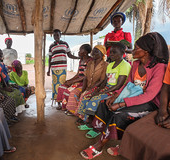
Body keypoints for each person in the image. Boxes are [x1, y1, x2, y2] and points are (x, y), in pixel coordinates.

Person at [80, 32, 169, 160]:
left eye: (136, 48)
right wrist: (115, 96)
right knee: (104, 104)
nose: (132, 51)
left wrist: (122, 103)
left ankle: (99, 145)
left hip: (150, 103)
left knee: (119, 114)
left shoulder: (160, 67)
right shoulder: (136, 64)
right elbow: (128, 83)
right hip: (131, 96)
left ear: (147, 51)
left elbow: (149, 95)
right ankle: (102, 132)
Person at [77, 43, 131, 128]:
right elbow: (105, 81)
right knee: (87, 96)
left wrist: (101, 93)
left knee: (95, 99)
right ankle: (86, 119)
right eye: (111, 52)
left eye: (114, 52)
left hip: (116, 91)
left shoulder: (125, 65)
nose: (111, 54)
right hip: (107, 88)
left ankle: (92, 123)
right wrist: (98, 90)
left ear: (122, 52)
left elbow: (118, 85)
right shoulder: (110, 65)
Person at [47, 29, 80, 106]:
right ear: (53, 36)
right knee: (55, 85)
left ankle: (62, 101)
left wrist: (78, 57)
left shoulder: (65, 44)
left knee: (62, 84)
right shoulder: (51, 46)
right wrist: (48, 70)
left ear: (60, 35)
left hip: (62, 68)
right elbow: (50, 58)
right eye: (54, 35)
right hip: (54, 68)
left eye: (57, 35)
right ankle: (58, 102)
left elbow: (69, 55)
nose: (56, 36)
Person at [56, 44, 92, 111]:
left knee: (67, 91)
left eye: (80, 50)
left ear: (85, 52)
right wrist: (68, 80)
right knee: (61, 87)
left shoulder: (90, 61)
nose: (78, 52)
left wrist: (72, 82)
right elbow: (78, 74)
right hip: (78, 81)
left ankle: (67, 108)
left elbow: (86, 76)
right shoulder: (81, 61)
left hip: (84, 82)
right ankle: (62, 104)